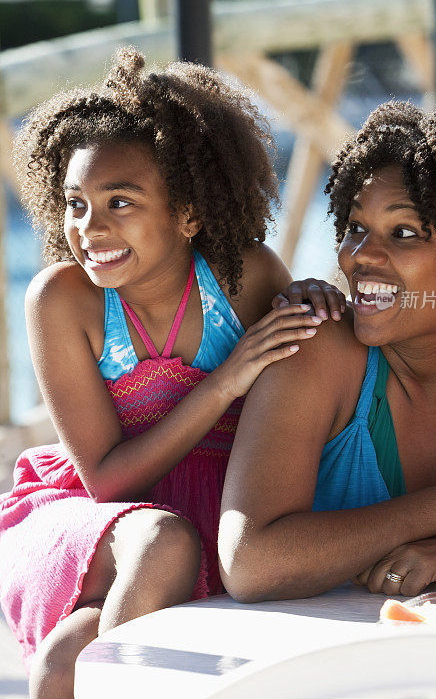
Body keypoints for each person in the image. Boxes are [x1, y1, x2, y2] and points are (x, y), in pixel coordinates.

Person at [0, 47, 344, 699]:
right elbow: (106, 478)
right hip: (113, 517)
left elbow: (305, 388)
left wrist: (313, 301)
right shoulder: (63, 299)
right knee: (160, 542)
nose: (88, 227)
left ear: (188, 213)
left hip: (225, 517)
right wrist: (224, 381)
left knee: (66, 660)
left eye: (119, 202)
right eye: (75, 203)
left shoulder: (245, 278)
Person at [219, 100, 436, 605]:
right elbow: (250, 563)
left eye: (403, 233)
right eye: (355, 228)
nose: (360, 255)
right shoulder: (316, 348)